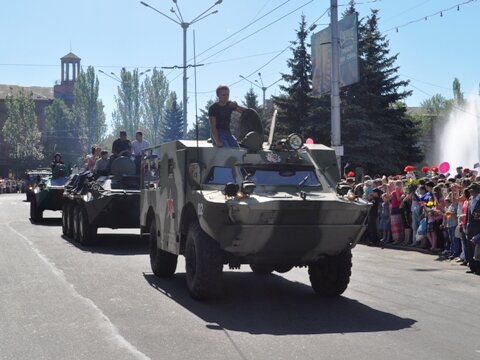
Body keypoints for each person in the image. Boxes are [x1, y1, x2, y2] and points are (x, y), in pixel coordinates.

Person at [465, 182, 480, 274]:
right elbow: (468, 214)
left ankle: (478, 268)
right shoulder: (470, 199)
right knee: (469, 247)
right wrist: (466, 224)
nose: (470, 192)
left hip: (478, 226)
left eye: (472, 190)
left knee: (477, 248)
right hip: (470, 226)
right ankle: (472, 267)